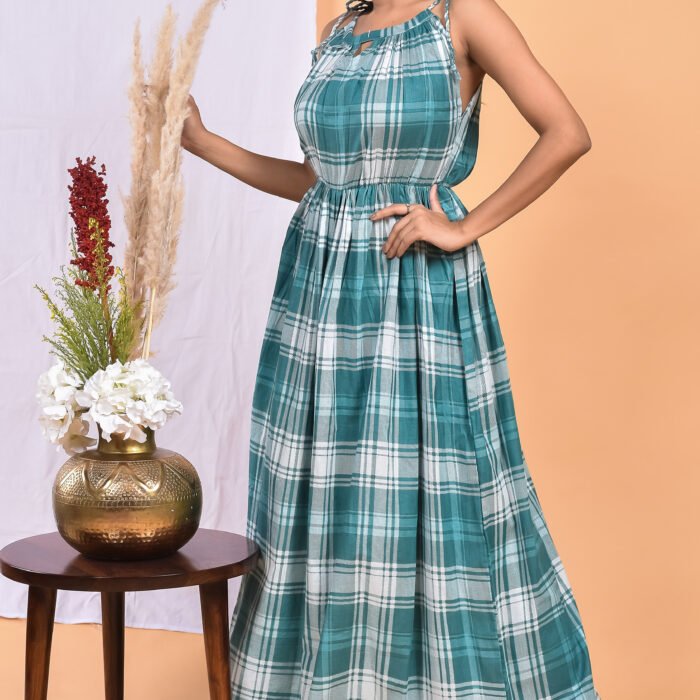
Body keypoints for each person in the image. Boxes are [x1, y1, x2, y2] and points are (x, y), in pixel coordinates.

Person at [181, 0, 600, 697]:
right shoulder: (338, 31)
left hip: (415, 295)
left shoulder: (460, 15)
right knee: (323, 488)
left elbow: (567, 132)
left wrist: (466, 228)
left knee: (430, 485)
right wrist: (206, 142)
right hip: (317, 298)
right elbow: (326, 186)